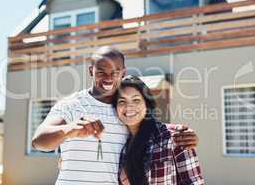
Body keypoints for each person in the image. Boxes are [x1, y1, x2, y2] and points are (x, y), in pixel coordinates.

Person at [32, 46, 199, 185]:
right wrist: (70, 130)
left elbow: (150, 135)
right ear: (91, 71)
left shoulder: (124, 115)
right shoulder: (71, 105)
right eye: (101, 72)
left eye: (115, 72)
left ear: (123, 72)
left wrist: (185, 137)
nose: (108, 78)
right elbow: (39, 141)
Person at [113, 75, 204, 185]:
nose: (129, 107)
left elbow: (194, 182)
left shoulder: (174, 136)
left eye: (136, 100)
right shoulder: (119, 143)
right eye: (122, 101)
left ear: (147, 104)